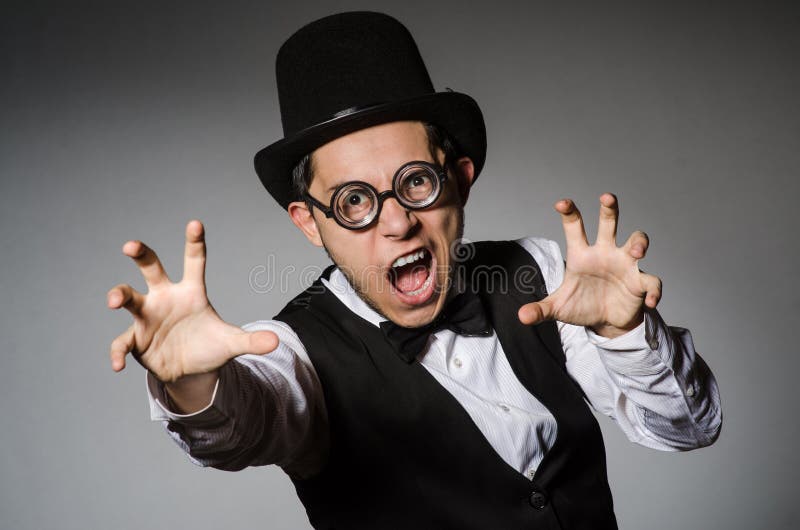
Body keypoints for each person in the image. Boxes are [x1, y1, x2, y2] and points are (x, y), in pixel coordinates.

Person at [106, 11, 721, 529]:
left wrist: (623, 332)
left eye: (416, 181)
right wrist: (194, 386)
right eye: (353, 200)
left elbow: (689, 429)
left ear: (459, 181)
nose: (397, 223)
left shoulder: (543, 272)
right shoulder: (296, 352)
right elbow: (245, 422)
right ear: (310, 223)